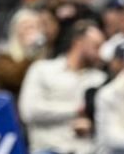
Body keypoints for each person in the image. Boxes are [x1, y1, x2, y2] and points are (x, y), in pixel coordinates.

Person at [19, 20, 106, 154]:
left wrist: (92, 125)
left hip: (86, 150)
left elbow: (107, 118)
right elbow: (28, 112)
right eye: (96, 46)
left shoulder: (99, 78)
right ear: (78, 42)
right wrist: (75, 110)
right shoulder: (42, 69)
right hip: (49, 148)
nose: (100, 54)